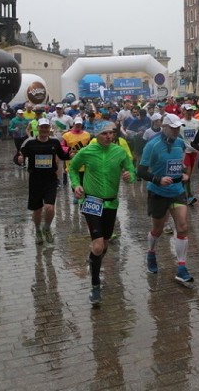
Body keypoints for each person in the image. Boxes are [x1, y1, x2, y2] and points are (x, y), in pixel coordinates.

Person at [69, 121, 136, 305]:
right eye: (104, 133)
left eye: (111, 133)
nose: (108, 136)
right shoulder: (87, 151)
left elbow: (131, 170)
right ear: (97, 135)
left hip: (111, 203)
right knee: (98, 245)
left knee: (103, 246)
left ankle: (93, 259)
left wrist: (130, 176)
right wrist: (76, 185)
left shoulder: (119, 152)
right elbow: (72, 168)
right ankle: (95, 286)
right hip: (91, 202)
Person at [137, 113, 193, 283]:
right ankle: (151, 253)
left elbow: (180, 163)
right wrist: (158, 179)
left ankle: (182, 268)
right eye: (173, 128)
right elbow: (140, 171)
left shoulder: (180, 143)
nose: (176, 131)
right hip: (158, 192)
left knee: (182, 227)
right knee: (158, 230)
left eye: (178, 128)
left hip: (177, 190)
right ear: (164, 127)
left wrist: (183, 174)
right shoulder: (152, 145)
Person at [15, 118, 71, 245]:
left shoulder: (55, 142)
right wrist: (20, 159)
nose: (44, 130)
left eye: (46, 127)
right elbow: (19, 156)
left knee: (49, 208)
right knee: (37, 210)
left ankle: (47, 228)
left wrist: (70, 155)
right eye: (42, 127)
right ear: (38, 128)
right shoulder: (29, 143)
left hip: (51, 179)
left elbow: (62, 156)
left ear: (49, 129)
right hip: (35, 180)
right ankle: (38, 230)